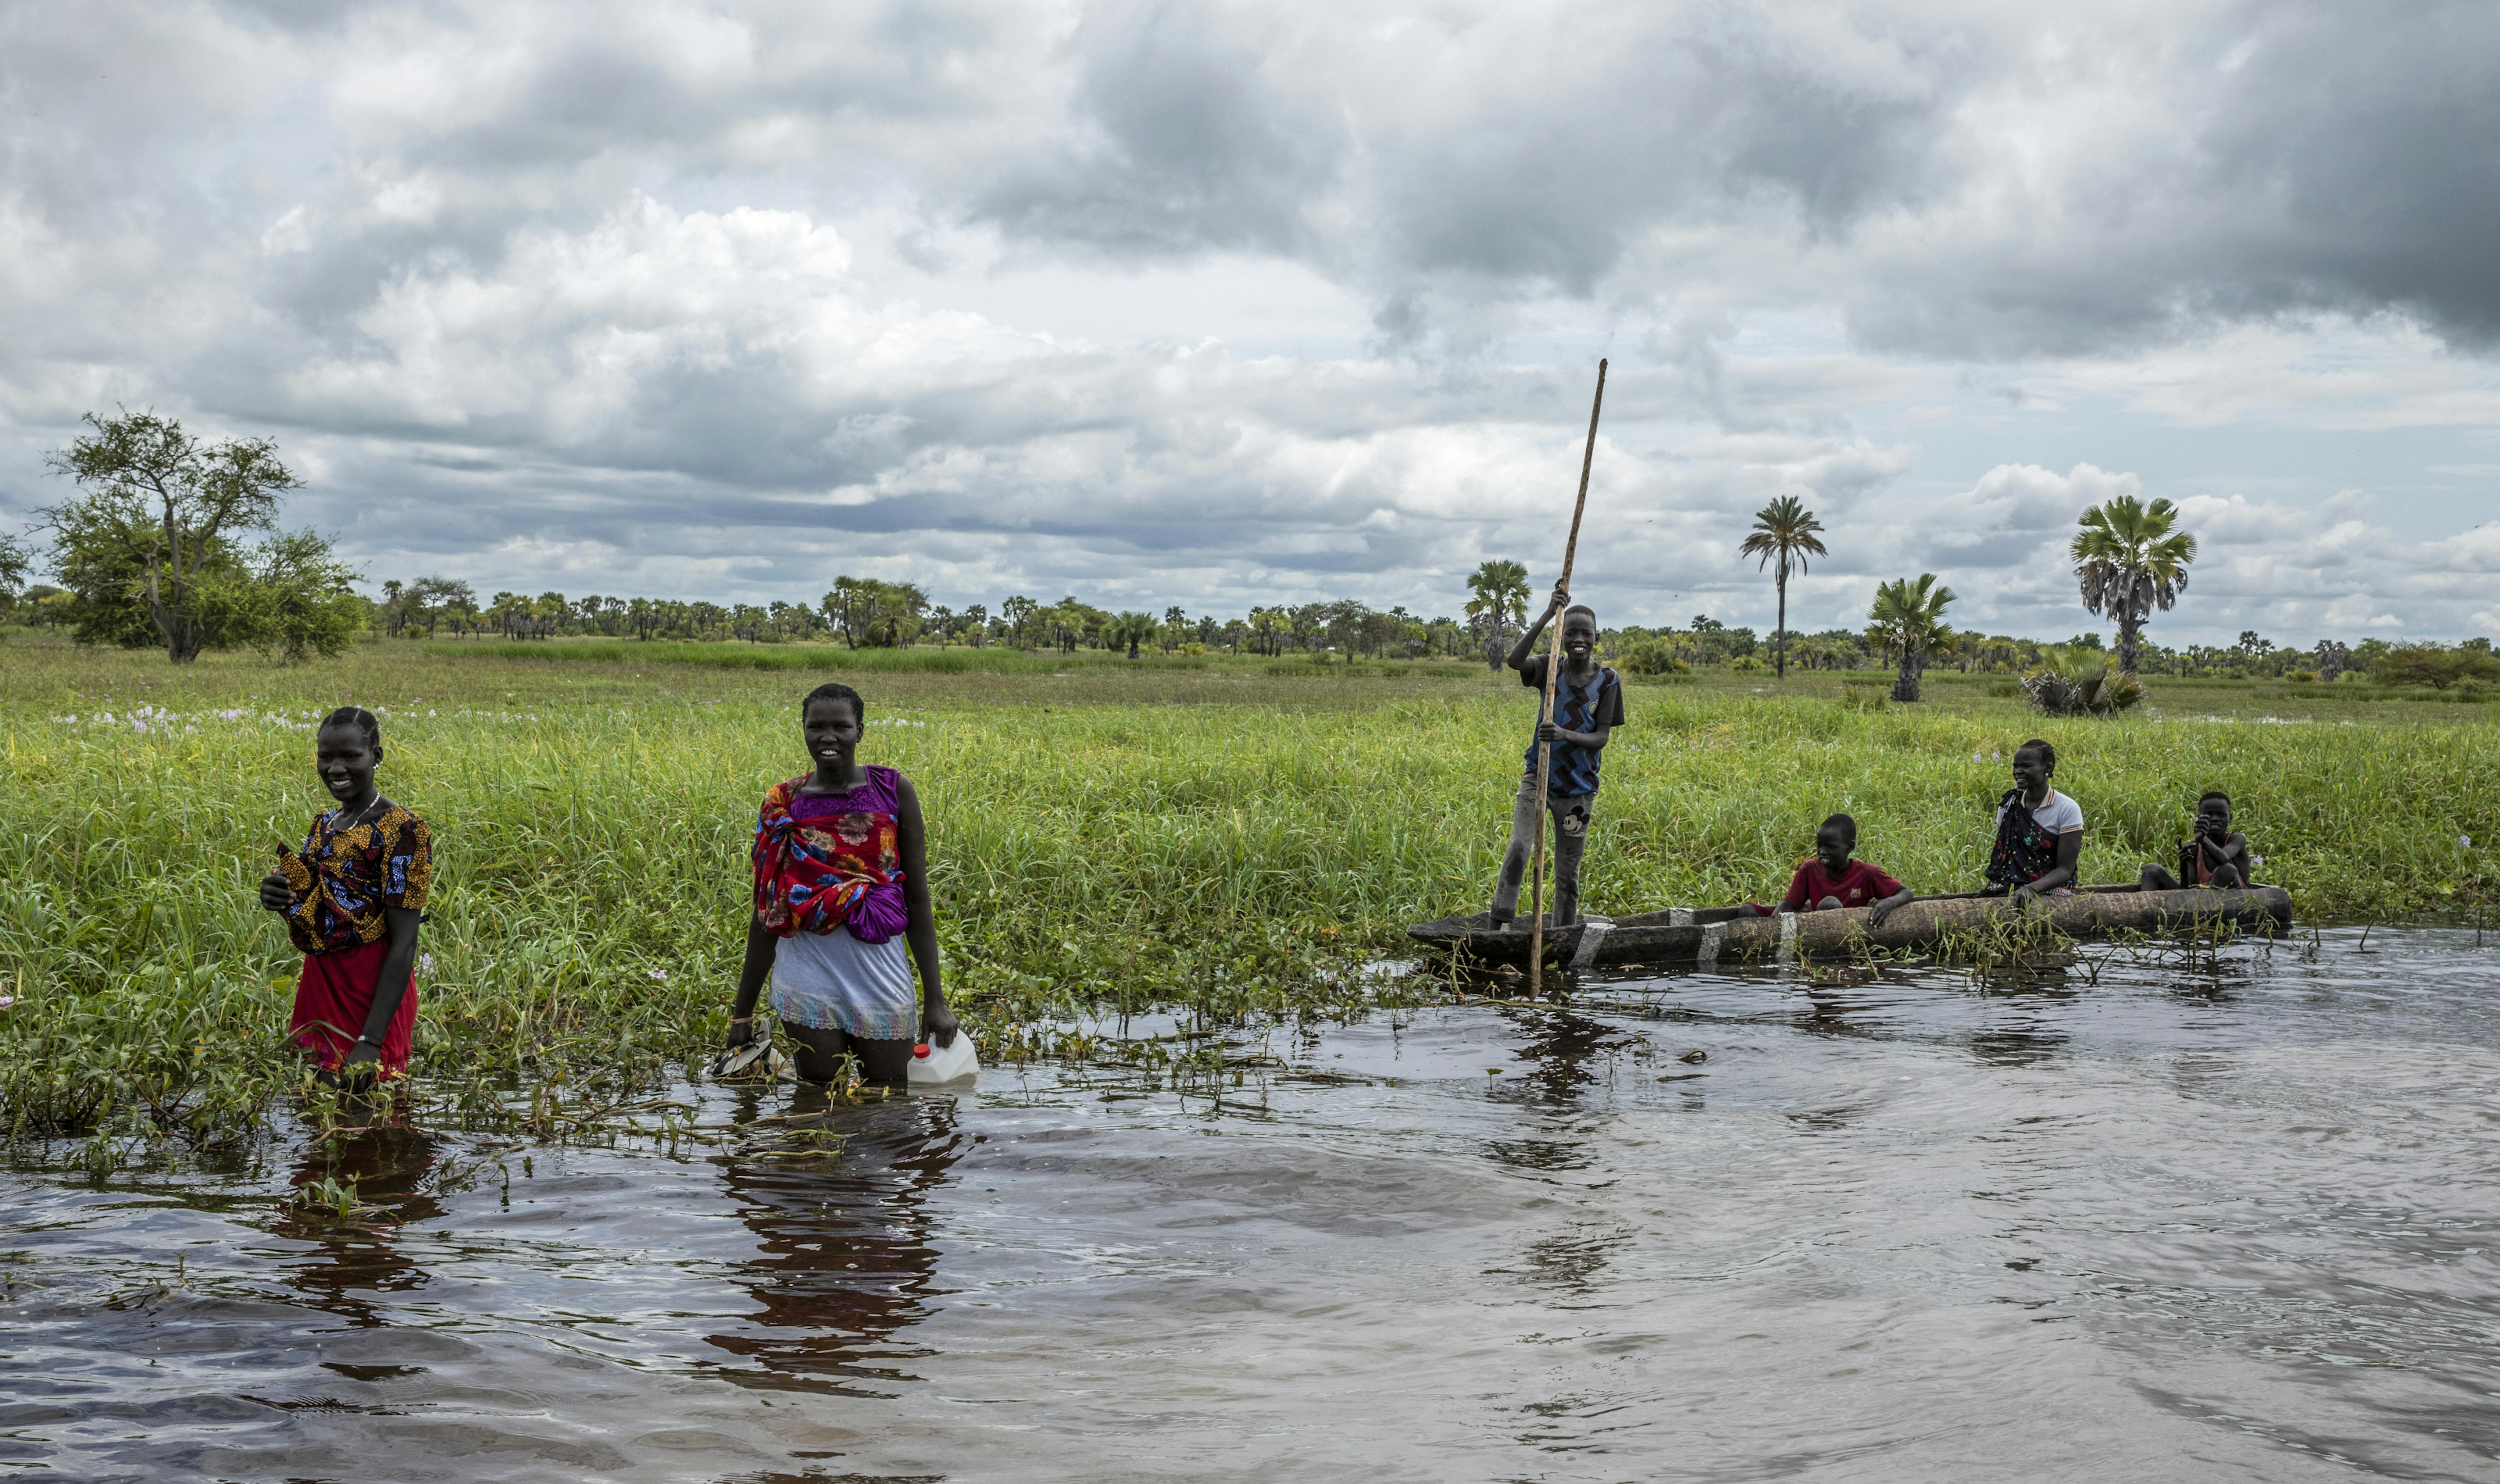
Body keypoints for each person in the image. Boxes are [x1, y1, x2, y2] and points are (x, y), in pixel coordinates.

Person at [728, 681, 956, 1084]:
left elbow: (917, 899)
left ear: (861, 731)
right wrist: (742, 1014)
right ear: (803, 729)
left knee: (891, 1106)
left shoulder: (892, 790)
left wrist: (936, 1000)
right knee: (817, 1105)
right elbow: (767, 912)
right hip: (807, 974)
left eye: (842, 727)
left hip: (879, 973)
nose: (828, 738)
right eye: (816, 727)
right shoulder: (785, 803)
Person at [257, 706, 431, 1090]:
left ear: (376, 757)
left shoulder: (403, 829)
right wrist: (275, 893)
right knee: (318, 1101)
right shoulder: (325, 824)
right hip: (321, 980)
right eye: (326, 757)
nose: (336, 769)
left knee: (374, 1112)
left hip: (372, 988)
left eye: (351, 756)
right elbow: (315, 899)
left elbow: (404, 944)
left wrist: (371, 1041)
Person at [1490, 583, 1625, 931]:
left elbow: (1601, 738)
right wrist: (1549, 613)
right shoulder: (1551, 668)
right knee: (1519, 848)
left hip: (1578, 790)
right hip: (1538, 778)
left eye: (1586, 633)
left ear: (1597, 638)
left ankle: (1562, 934)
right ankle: (1500, 923)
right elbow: (1514, 661)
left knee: (1568, 871)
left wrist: (1564, 734)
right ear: (1562, 637)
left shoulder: (1608, 681)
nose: (1578, 639)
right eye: (1570, 633)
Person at [1982, 737, 2082, 905]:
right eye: (2015, 766)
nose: (2018, 772)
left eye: (2026, 766)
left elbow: (2065, 870)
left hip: (2052, 889)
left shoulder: (2067, 809)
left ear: (2048, 768)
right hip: (2010, 886)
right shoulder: (2008, 805)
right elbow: (2006, 857)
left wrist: (2030, 889)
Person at [1781, 814, 1913, 924]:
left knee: (1830, 904)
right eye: (1819, 846)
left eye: (1830, 847)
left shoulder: (1868, 873)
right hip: (1819, 930)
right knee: (1759, 911)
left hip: (1853, 932)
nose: (1822, 852)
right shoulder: (1810, 869)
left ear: (1850, 848)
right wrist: (1771, 924)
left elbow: (1906, 892)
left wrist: (1889, 903)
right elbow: (1787, 906)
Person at [2138, 791, 2254, 891]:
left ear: (2230, 818)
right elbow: (2188, 890)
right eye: (2208, 815)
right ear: (2199, 818)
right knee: (2152, 870)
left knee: (2226, 870)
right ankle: (2145, 913)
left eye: (2221, 814)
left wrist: (2203, 839)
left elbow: (2223, 859)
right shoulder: (2195, 847)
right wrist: (2184, 868)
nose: (2215, 819)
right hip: (2199, 903)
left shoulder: (2237, 839)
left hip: (2235, 903)